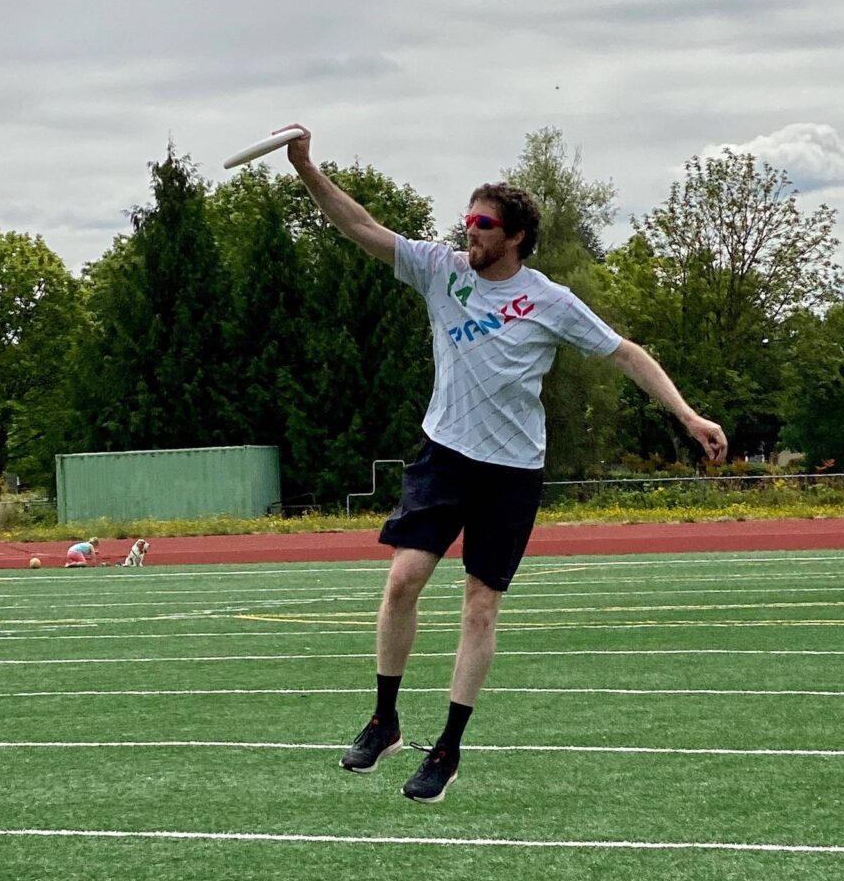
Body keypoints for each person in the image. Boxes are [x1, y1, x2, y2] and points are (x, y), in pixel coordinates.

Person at [284, 125, 727, 803]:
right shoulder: (441, 271)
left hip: (512, 472)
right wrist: (308, 170)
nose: (470, 231)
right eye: (467, 219)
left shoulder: (549, 300)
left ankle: (449, 749)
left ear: (515, 235)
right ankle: (385, 719)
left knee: (479, 607)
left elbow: (625, 353)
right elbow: (362, 227)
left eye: (483, 223)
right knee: (403, 580)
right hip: (445, 456)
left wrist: (688, 415)